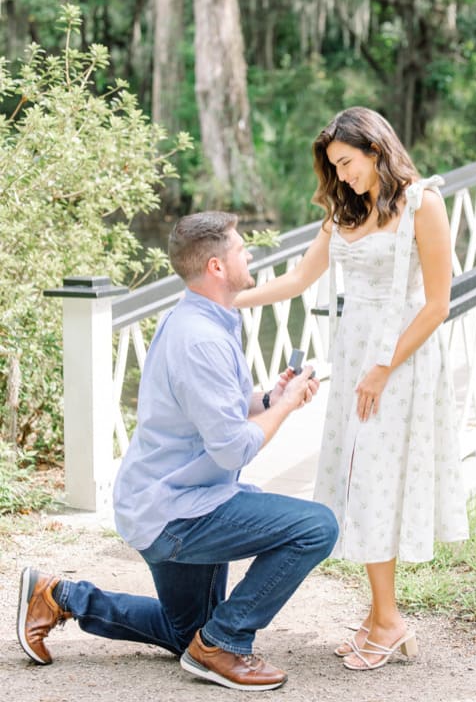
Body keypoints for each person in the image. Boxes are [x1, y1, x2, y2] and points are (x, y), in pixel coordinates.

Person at [17, 211, 335, 691]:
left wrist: (270, 398)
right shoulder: (200, 339)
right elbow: (232, 449)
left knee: (185, 633)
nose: (249, 253)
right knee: (317, 527)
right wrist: (286, 408)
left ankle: (59, 596)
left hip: (173, 498)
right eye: (240, 247)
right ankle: (225, 644)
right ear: (215, 267)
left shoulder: (211, 318)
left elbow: (221, 409)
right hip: (177, 513)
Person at [233, 106, 469, 671]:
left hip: (400, 363)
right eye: (334, 167)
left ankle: (388, 621)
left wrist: (385, 365)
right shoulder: (344, 212)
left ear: (376, 150)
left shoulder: (423, 204)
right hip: (354, 357)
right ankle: (379, 615)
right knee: (355, 479)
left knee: (375, 482)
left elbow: (438, 303)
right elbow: (297, 279)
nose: (341, 176)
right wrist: (225, 298)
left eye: (347, 163)